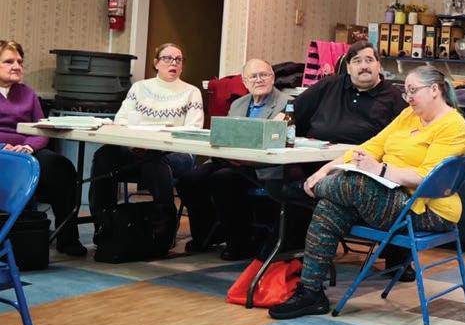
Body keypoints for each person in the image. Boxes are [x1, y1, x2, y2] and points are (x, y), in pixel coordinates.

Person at [268, 66, 465, 319]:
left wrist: (380, 170)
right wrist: (325, 169)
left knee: (356, 184)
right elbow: (372, 146)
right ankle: (311, 293)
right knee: (330, 207)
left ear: (434, 90)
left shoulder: (453, 126)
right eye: (406, 92)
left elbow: (427, 179)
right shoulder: (409, 115)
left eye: (413, 91)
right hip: (392, 198)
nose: (408, 98)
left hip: (427, 209)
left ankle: (300, 191)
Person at [263, 40, 412, 276]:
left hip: (363, 168)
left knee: (310, 191)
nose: (364, 66)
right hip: (315, 161)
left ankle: (394, 259)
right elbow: (292, 110)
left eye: (369, 60)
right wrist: (270, 130)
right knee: (278, 179)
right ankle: (288, 253)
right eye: (357, 61)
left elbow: (407, 140)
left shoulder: (393, 97)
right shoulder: (329, 85)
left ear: (379, 65)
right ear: (348, 67)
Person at [176, 59, 290, 259]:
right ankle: (207, 233)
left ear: (273, 78)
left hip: (261, 165)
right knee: (189, 179)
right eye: (253, 76)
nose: (259, 80)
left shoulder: (286, 104)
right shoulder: (238, 104)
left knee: (223, 179)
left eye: (264, 75)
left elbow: (277, 139)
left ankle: (240, 242)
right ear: (245, 82)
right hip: (231, 160)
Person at [88, 43, 204, 239]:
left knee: (155, 163)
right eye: (167, 58)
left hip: (175, 153)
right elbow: (121, 120)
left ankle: (164, 230)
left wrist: (156, 145)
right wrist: (135, 145)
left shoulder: (191, 92)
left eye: (178, 59)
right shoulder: (139, 88)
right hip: (136, 149)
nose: (173, 63)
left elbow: (193, 129)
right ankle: (104, 223)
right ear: (156, 63)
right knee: (104, 155)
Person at [0, 40, 86, 256]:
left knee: (62, 167)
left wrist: (28, 147)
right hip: (2, 152)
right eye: (9, 61)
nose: (16, 66)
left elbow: (41, 130)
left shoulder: (28, 94)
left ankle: (67, 238)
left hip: (26, 151)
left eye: (20, 62)